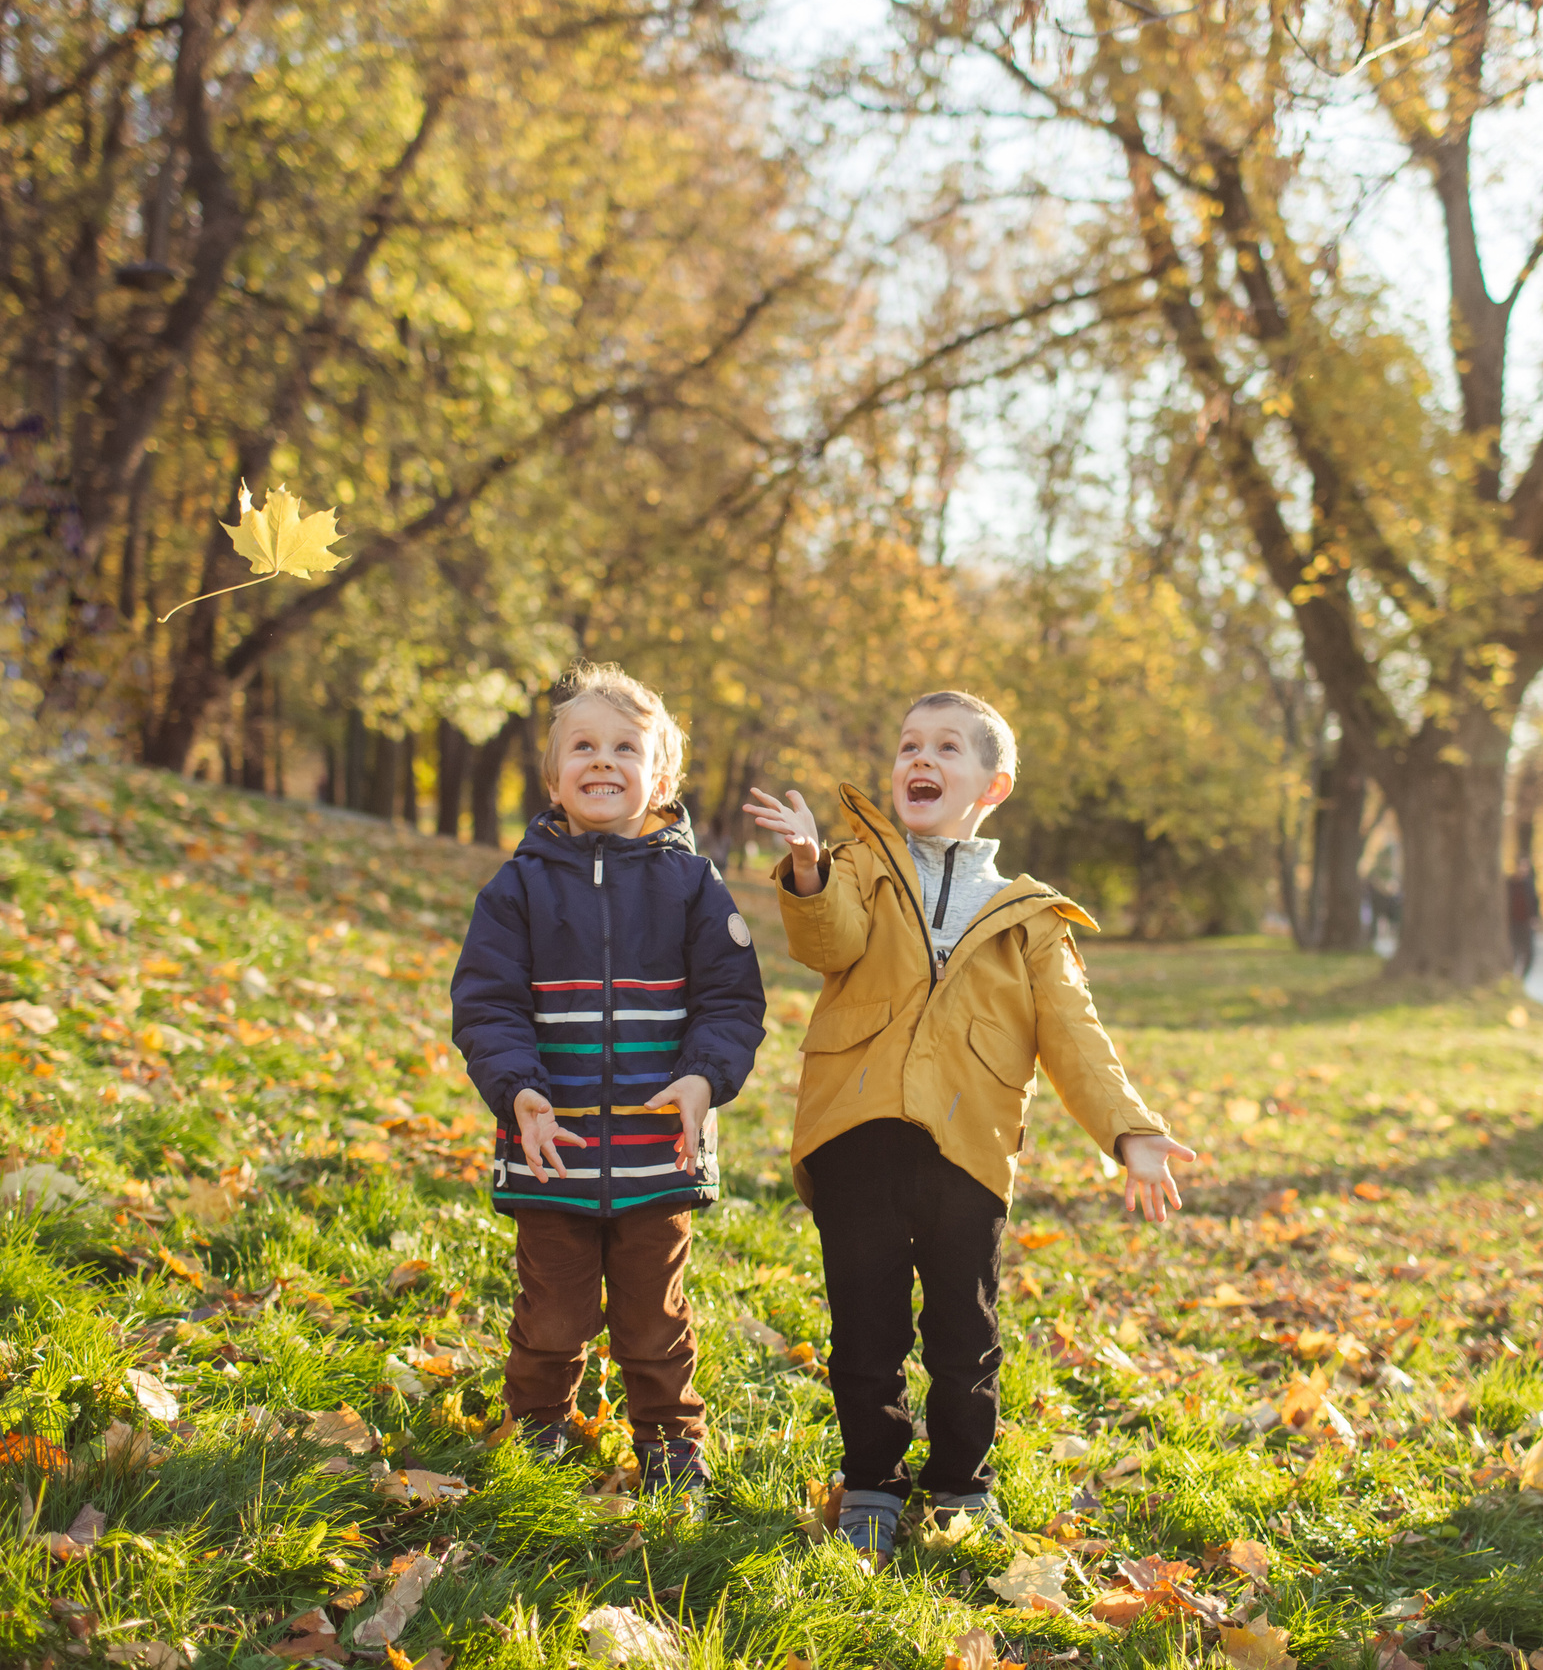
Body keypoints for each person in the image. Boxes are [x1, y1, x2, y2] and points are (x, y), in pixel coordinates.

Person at [743, 692, 1196, 1565]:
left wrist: (1131, 1130)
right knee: (865, 1320)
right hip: (857, 1125)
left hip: (971, 1144)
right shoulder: (862, 866)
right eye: (909, 742)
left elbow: (1074, 1034)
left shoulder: (1030, 917)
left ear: (994, 783)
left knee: (965, 1327)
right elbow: (829, 945)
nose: (920, 758)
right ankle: (872, 1478)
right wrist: (809, 870)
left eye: (946, 746)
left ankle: (960, 1484)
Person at [450, 665, 768, 1505]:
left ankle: (671, 1442)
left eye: (626, 747)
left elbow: (732, 1001)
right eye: (582, 746)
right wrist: (516, 1089)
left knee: (653, 1318)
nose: (603, 760)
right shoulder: (516, 887)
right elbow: (486, 1004)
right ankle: (538, 1428)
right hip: (548, 1148)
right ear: (553, 777)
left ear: (659, 778)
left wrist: (704, 1077)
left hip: (654, 1152)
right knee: (550, 1312)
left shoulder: (693, 886)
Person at [1507, 860, 1539, 979]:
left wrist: (1535, 917)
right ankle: (1511, 976)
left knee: (1529, 952)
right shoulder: (1510, 883)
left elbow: (1534, 901)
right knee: (1514, 950)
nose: (1523, 869)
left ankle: (1522, 977)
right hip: (1513, 922)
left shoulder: (1529, 883)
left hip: (1526, 922)